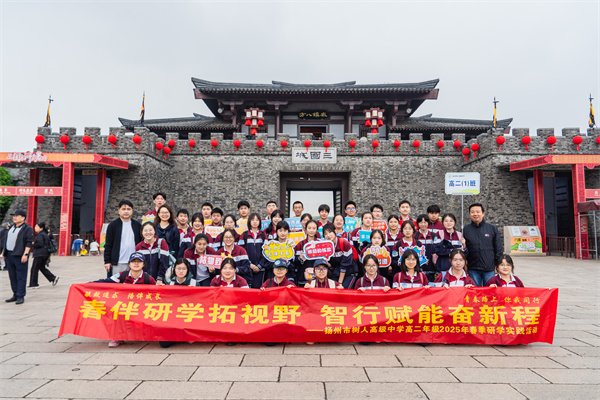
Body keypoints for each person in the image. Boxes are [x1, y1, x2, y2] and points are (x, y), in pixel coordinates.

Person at [94, 251, 156, 347]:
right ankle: (117, 336)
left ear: (143, 264)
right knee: (114, 310)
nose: (136, 264)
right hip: (124, 307)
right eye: (133, 261)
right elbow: (106, 282)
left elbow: (156, 296)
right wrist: (87, 285)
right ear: (129, 264)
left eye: (139, 261)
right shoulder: (121, 276)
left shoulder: (149, 279)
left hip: (142, 308)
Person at [462, 203, 502, 287]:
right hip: (473, 268)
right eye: (472, 212)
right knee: (475, 291)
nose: (475, 214)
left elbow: (498, 248)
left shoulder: (491, 228)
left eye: (478, 212)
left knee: (490, 291)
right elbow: (464, 249)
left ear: (483, 213)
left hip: (489, 268)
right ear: (470, 214)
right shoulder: (466, 229)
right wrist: (465, 264)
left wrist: (498, 264)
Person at [103, 200, 142, 278]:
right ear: (119, 211)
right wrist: (107, 261)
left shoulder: (137, 225)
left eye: (128, 209)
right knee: (118, 283)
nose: (126, 211)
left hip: (135, 262)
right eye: (123, 209)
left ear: (132, 211)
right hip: (118, 263)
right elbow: (108, 244)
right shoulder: (113, 225)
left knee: (134, 283)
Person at [2, 210, 33, 304]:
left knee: (21, 276)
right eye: (14, 216)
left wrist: (26, 254)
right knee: (12, 276)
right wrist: (4, 253)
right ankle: (15, 294)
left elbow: (28, 242)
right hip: (9, 254)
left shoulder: (27, 228)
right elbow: (6, 241)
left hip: (20, 255)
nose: (14, 217)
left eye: (17, 216)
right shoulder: (11, 227)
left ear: (23, 218)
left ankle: (20, 295)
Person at [323, 223, 357, 289]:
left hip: (349, 273)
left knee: (343, 291)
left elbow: (345, 265)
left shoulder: (344, 243)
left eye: (330, 232)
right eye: (325, 234)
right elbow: (331, 265)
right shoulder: (325, 247)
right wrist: (327, 263)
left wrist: (340, 283)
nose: (328, 235)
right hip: (336, 273)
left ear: (335, 231)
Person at [239, 213, 267, 288]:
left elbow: (266, 252)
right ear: (249, 221)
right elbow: (241, 252)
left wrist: (260, 266)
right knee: (247, 289)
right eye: (252, 220)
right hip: (247, 268)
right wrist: (249, 264)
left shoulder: (264, 235)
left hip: (260, 269)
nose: (255, 222)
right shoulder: (244, 235)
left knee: (258, 290)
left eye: (257, 220)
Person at [28, 222, 58, 288]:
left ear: (41, 228)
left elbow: (39, 244)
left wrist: (33, 244)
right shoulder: (45, 234)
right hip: (45, 253)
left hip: (40, 254)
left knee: (34, 269)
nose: (35, 228)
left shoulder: (40, 235)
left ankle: (34, 284)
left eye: (37, 227)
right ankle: (53, 278)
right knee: (41, 267)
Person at [293, 219, 321, 287]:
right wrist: (300, 258)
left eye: (314, 228)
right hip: (303, 276)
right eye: (309, 228)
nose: (311, 230)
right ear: (305, 229)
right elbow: (294, 260)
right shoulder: (300, 244)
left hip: (318, 276)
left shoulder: (320, 243)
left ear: (317, 230)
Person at [415, 214, 436, 283]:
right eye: (421, 222)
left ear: (428, 223)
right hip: (419, 269)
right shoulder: (415, 236)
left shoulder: (433, 235)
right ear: (418, 224)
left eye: (425, 222)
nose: (423, 224)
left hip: (432, 268)